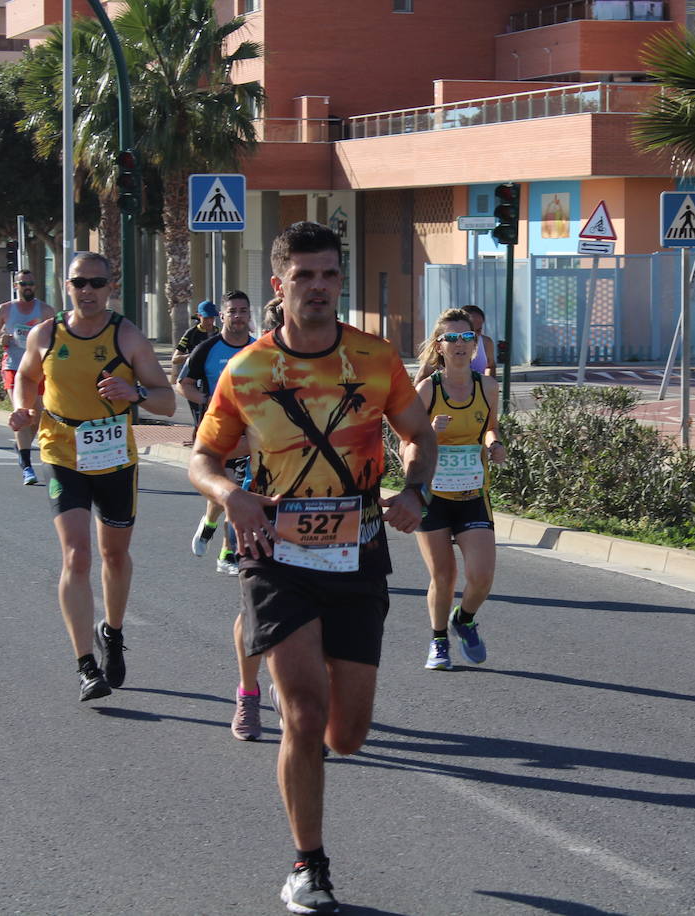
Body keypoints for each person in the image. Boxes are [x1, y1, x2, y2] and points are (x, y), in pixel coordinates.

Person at [189, 222, 436, 914]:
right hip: (276, 552)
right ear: (280, 286)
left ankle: (305, 714)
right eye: (305, 276)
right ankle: (309, 865)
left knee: (345, 735)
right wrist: (230, 495)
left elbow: (417, 433)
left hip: (357, 548)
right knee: (302, 715)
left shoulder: (376, 358)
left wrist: (414, 490)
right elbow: (202, 458)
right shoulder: (248, 372)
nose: (319, 287)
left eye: (329, 275)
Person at [7, 252, 175, 703]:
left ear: (109, 287)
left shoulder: (128, 335)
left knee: (114, 556)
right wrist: (22, 408)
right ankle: (85, 665)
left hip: (116, 456)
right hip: (62, 451)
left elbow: (167, 403)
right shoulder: (47, 333)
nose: (88, 291)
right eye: (80, 282)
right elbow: (25, 377)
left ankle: (113, 633)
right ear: (67, 286)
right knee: (77, 556)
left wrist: (134, 392)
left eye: (97, 283)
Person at [411, 309, 507, 670]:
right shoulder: (428, 389)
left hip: (472, 493)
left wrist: (495, 444)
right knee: (444, 575)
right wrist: (430, 433)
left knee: (481, 576)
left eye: (467, 338)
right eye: (451, 339)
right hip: (433, 496)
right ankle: (438, 642)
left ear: (475, 344)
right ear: (440, 346)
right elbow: (409, 441)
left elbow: (490, 426)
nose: (460, 345)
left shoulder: (487, 387)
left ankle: (463, 619)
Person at [181, 291, 257, 573]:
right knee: (227, 490)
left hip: (251, 434)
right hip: (218, 435)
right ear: (222, 316)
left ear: (249, 315)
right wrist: (208, 403)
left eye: (243, 311)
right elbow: (184, 383)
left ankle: (227, 552)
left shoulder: (260, 349)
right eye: (232, 311)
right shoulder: (207, 349)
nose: (238, 316)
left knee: (238, 490)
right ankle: (213, 528)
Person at [0, 269, 55, 485]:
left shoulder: (45, 310)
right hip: (13, 367)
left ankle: (22, 446)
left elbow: (58, 334)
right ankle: (27, 466)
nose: (28, 286)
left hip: (37, 369)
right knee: (22, 412)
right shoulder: (5, 309)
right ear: (16, 285)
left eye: (31, 283)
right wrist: (0, 340)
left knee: (36, 415)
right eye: (23, 283)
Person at [414, 303, 497, 382]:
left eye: (469, 334)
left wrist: (486, 384)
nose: (460, 343)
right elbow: (420, 379)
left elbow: (490, 366)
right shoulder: (442, 348)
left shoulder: (486, 343)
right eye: (452, 337)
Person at [172, 300, 220, 436]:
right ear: (199, 316)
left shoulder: (219, 333)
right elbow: (175, 359)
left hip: (212, 379)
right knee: (199, 417)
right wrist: (193, 356)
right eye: (206, 317)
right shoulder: (191, 333)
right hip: (193, 380)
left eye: (212, 317)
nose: (209, 321)